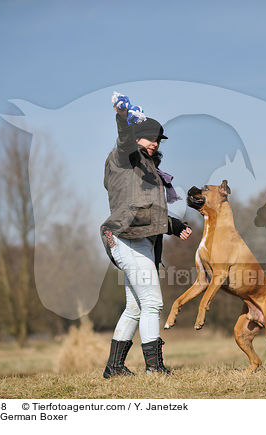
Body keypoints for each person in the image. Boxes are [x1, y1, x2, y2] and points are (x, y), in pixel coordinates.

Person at [100, 92, 192, 378]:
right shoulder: (123, 159)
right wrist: (122, 117)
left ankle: (114, 368)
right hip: (123, 236)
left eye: (158, 139)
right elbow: (125, 140)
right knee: (153, 303)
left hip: (140, 239)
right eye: (150, 137)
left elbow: (148, 209)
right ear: (137, 136)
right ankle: (155, 368)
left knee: (136, 307)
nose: (155, 143)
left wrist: (173, 225)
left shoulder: (147, 167)